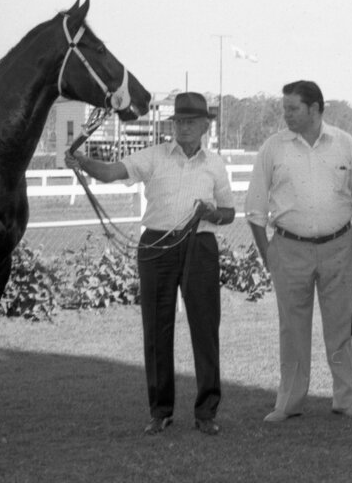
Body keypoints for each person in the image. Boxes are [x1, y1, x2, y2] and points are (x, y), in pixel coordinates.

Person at [65, 92, 234, 436]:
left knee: (205, 329)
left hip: (200, 245)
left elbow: (229, 213)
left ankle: (206, 412)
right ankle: (161, 411)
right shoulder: (154, 156)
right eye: (179, 122)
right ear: (173, 125)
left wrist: (212, 212)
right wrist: (82, 161)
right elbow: (113, 172)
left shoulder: (215, 164)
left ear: (204, 126)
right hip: (157, 246)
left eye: (191, 122)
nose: (184, 127)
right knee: (156, 330)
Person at [245, 80, 352, 423]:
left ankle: (346, 400)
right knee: (292, 329)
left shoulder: (345, 145)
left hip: (340, 248)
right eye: (284, 108)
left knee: (340, 328)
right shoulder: (273, 148)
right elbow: (255, 209)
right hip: (289, 249)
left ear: (315, 109)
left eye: (293, 108)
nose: (285, 114)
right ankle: (289, 403)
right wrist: (268, 254)